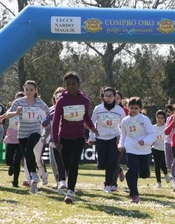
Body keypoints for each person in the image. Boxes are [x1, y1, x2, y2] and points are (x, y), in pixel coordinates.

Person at [51, 72, 98, 204]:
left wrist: (92, 127)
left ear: (78, 85)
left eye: (73, 84)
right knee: (66, 165)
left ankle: (70, 191)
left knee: (73, 164)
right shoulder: (61, 101)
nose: (71, 87)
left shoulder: (85, 101)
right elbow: (55, 122)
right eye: (68, 85)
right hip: (64, 138)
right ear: (65, 86)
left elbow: (86, 116)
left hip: (78, 136)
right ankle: (64, 182)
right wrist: (56, 141)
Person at [0, 80, 49, 194]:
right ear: (24, 89)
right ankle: (33, 176)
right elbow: (7, 115)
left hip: (35, 130)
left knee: (28, 149)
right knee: (27, 155)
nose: (29, 92)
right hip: (22, 133)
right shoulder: (19, 102)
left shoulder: (39, 102)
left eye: (31, 90)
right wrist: (16, 112)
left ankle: (33, 174)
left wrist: (46, 122)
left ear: (35, 90)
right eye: (27, 89)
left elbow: (48, 111)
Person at [118, 97, 156, 203]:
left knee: (143, 173)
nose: (133, 110)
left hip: (144, 150)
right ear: (128, 108)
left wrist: (145, 141)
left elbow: (152, 133)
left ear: (140, 108)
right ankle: (134, 194)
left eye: (136, 108)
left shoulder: (144, 119)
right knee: (132, 171)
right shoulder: (125, 121)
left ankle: (144, 172)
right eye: (131, 108)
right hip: (131, 149)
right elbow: (123, 134)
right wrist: (121, 145)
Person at [88, 87, 125, 193]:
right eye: (106, 96)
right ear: (103, 96)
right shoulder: (98, 109)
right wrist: (92, 138)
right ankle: (119, 170)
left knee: (111, 162)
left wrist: (121, 139)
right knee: (101, 165)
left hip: (114, 139)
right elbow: (92, 123)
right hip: (100, 138)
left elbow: (124, 126)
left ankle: (107, 185)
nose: (108, 98)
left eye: (110, 96)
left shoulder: (120, 110)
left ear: (114, 97)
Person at [42, 87, 67, 193]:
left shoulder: (68, 108)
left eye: (61, 96)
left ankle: (62, 181)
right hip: (53, 140)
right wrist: (44, 136)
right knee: (53, 162)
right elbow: (46, 125)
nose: (59, 98)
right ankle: (58, 182)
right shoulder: (51, 110)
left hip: (66, 139)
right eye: (57, 96)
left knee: (64, 163)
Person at [3, 91, 25, 187]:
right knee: (8, 159)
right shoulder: (10, 110)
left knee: (17, 160)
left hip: (21, 138)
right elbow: (4, 116)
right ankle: (10, 166)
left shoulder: (26, 111)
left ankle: (15, 181)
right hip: (11, 137)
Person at [109, 90, 128, 191]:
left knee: (116, 161)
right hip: (108, 138)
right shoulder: (106, 109)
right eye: (114, 97)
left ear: (121, 100)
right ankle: (119, 170)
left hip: (120, 139)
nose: (115, 100)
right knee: (109, 161)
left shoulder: (125, 111)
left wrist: (121, 137)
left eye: (118, 98)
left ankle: (113, 184)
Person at [152, 110, 171, 188]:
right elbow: (151, 136)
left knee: (162, 164)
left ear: (164, 119)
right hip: (155, 148)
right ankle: (159, 183)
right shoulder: (153, 127)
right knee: (156, 165)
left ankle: (166, 174)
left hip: (164, 148)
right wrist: (151, 141)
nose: (159, 119)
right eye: (158, 117)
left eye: (161, 118)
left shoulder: (166, 127)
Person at [164, 104, 175, 191]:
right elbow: (167, 132)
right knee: (169, 164)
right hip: (169, 142)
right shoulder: (169, 119)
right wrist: (173, 123)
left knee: (174, 164)